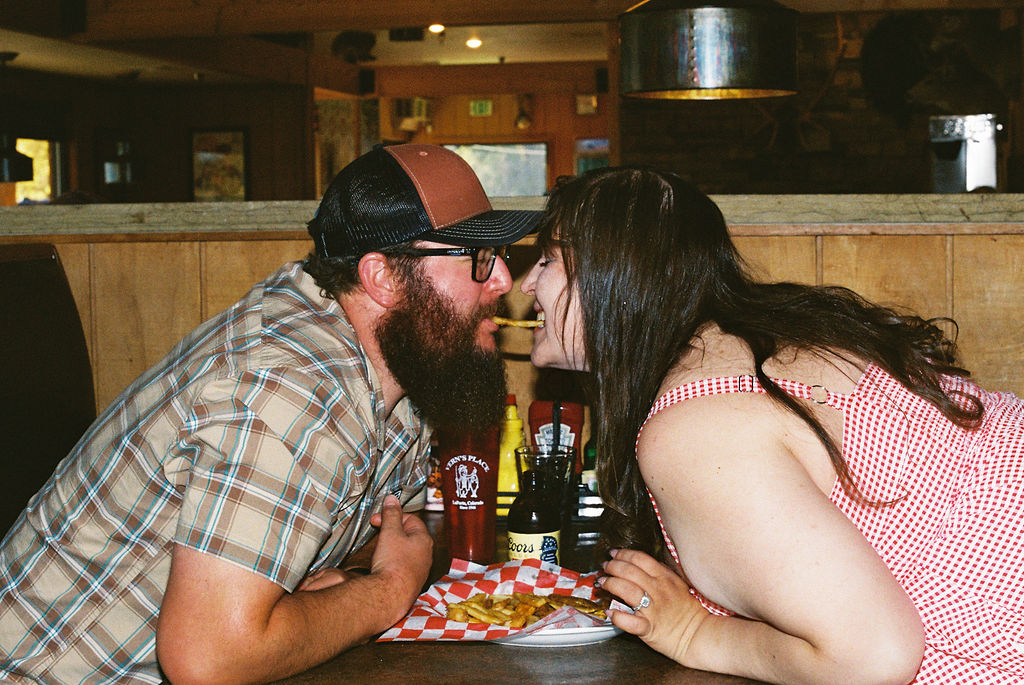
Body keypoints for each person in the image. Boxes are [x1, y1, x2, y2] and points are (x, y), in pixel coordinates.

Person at [0, 143, 540, 684]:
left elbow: (385, 534)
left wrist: (327, 595)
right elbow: (209, 659)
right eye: (479, 258)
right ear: (383, 278)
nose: (501, 282)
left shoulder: (399, 360)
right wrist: (385, 593)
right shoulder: (289, 385)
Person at [520, 166, 1024, 684]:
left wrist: (696, 632)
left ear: (618, 275)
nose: (526, 283)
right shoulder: (757, 341)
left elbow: (873, 656)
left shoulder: (696, 427)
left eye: (549, 259)